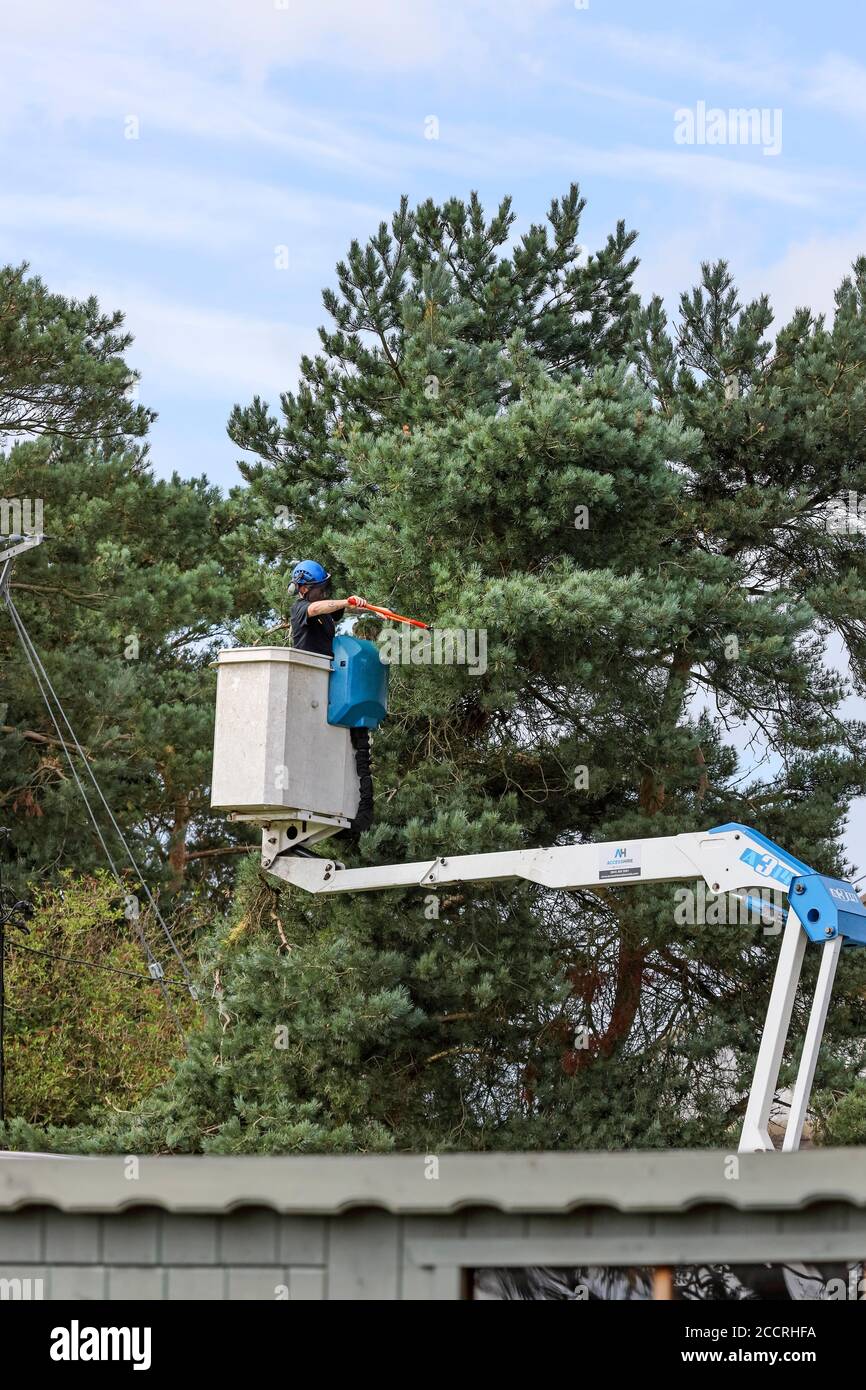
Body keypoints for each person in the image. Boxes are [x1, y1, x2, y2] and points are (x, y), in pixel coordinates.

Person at [289, 560, 367, 658]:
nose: (323, 593)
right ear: (303, 589)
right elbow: (314, 609)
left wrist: (377, 610)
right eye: (320, 589)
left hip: (325, 667)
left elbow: (349, 608)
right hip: (306, 667)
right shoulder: (299, 608)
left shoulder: (324, 608)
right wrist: (346, 601)